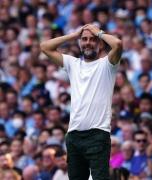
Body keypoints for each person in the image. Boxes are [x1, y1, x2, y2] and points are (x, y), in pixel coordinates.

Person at [40, 24, 122, 180]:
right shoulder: (73, 64)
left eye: (92, 39)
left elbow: (117, 44)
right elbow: (45, 47)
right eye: (84, 39)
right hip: (74, 136)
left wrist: (99, 33)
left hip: (98, 134)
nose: (88, 42)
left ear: (99, 43)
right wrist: (74, 35)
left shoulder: (107, 65)